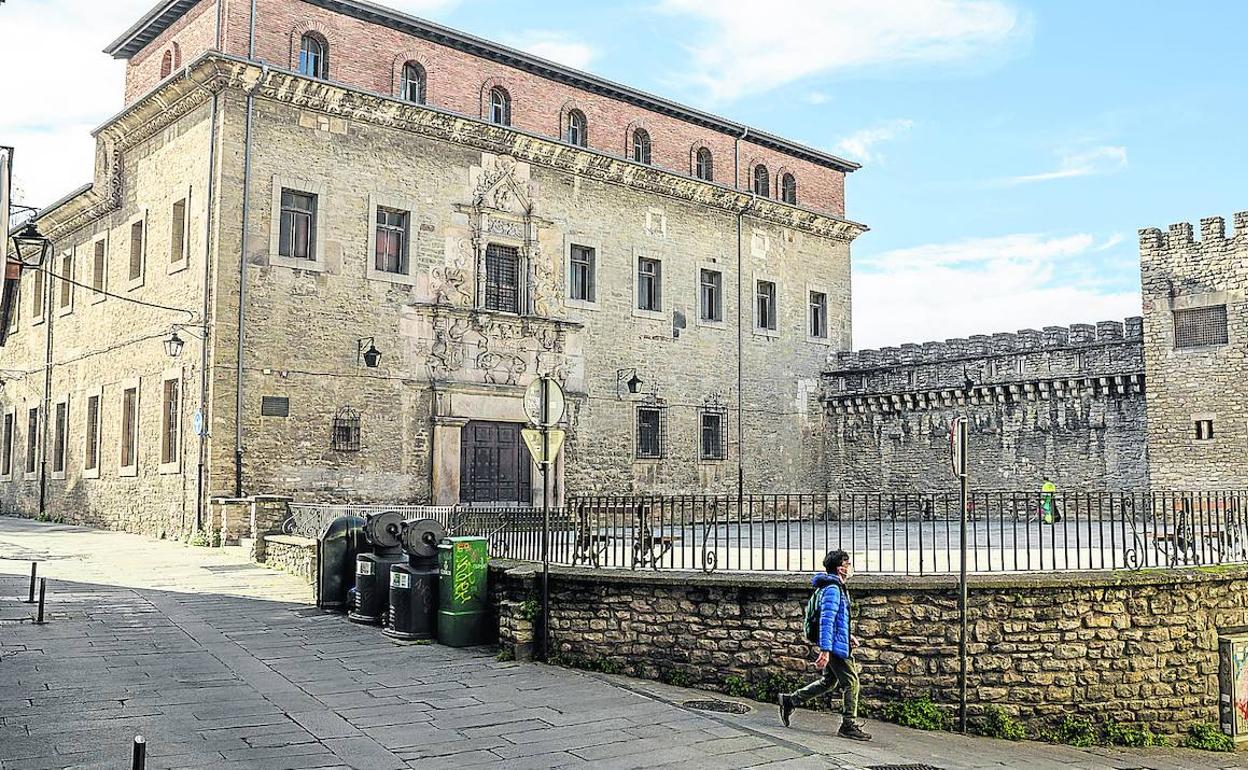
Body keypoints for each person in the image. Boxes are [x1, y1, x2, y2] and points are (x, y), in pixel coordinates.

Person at [778, 549, 871, 741]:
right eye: (848, 563)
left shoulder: (832, 586)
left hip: (837, 641)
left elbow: (836, 619)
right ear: (840, 569)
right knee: (852, 683)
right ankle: (848, 725)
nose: (850, 567)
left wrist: (848, 635)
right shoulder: (833, 590)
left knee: (829, 682)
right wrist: (826, 651)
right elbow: (826, 622)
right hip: (834, 646)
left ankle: (790, 700)